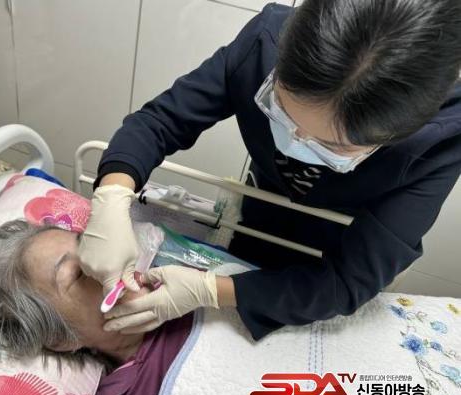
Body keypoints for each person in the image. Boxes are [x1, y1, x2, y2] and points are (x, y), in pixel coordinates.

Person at [78, 0, 461, 340]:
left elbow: (346, 283)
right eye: (280, 110)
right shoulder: (266, 41)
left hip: (338, 244)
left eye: (331, 146)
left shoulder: (441, 138)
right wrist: (112, 194)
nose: (295, 141)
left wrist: (210, 291)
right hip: (261, 207)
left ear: (396, 135)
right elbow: (159, 123)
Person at [0, 220, 195, 395]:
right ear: (63, 339)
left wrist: (215, 291)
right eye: (77, 274)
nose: (105, 262)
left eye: (89, 244)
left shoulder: (187, 283)